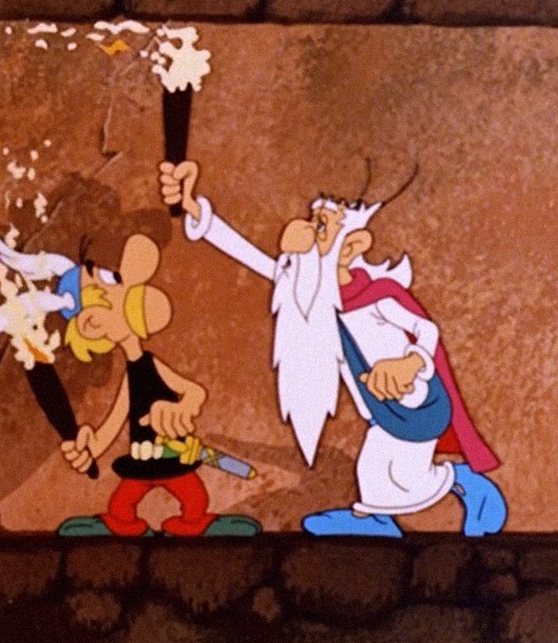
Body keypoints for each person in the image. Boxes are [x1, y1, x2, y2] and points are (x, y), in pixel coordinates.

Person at [158, 159, 505, 537]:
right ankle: (376, 518)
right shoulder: (310, 290)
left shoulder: (377, 296)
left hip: (414, 402)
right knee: (376, 469)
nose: (308, 232)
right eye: (312, 221)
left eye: (321, 226)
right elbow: (253, 257)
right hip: (379, 408)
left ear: (353, 244)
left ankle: (462, 483)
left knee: (399, 476)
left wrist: (410, 363)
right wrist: (193, 208)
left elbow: (425, 330)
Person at [54, 233, 260, 536]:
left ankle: (193, 523)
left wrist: (180, 409)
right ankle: (126, 523)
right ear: (91, 325)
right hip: (142, 459)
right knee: (122, 506)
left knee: (194, 500)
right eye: (108, 286)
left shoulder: (151, 365)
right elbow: (115, 420)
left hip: (174, 456)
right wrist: (90, 448)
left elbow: (194, 392)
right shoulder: (131, 376)